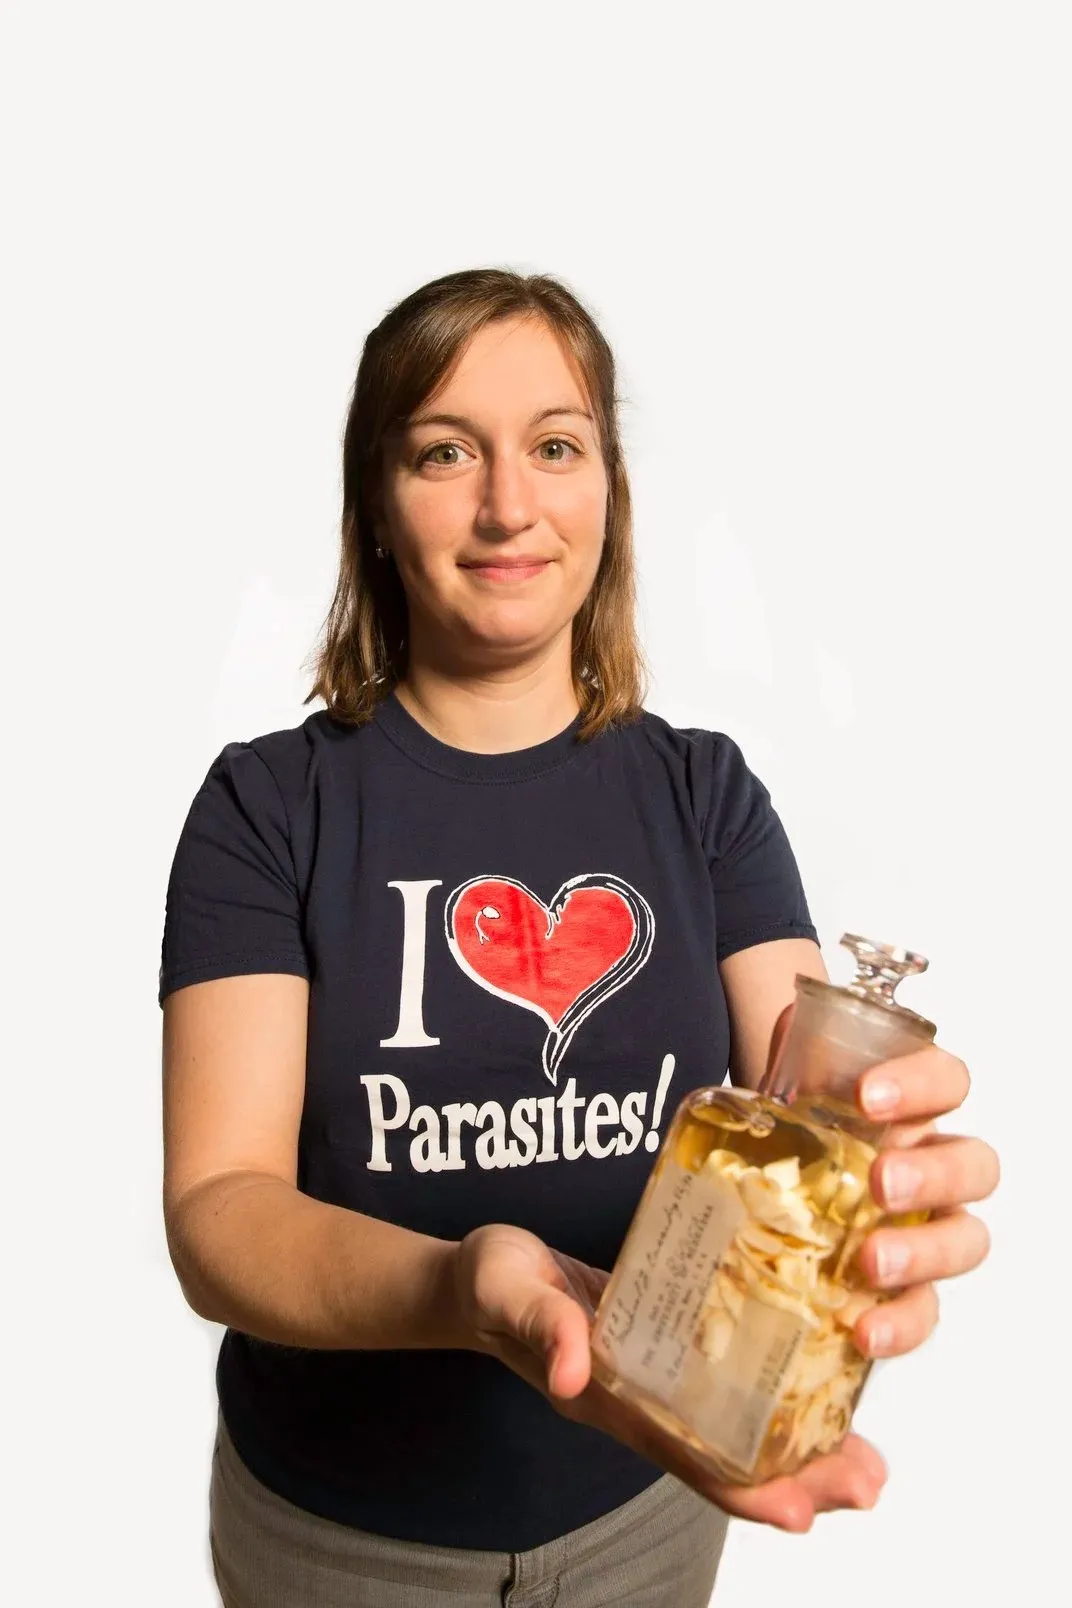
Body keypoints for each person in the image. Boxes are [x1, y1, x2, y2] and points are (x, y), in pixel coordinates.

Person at [159, 268, 1000, 1608]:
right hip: (340, 1537)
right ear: (377, 502)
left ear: (608, 491)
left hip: (646, 1515)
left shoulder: (703, 796)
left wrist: (874, 1165)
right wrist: (466, 1288)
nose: (508, 504)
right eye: (447, 453)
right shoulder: (271, 808)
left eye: (557, 447)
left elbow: (801, 1122)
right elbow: (219, 1215)